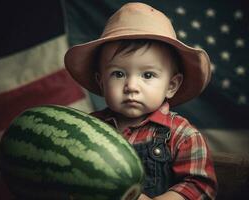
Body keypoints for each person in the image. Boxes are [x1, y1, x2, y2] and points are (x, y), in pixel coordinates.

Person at [64, 2, 217, 200]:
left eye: (147, 75)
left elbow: (201, 186)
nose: (131, 86)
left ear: (171, 85)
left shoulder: (182, 135)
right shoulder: (86, 129)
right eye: (118, 74)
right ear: (101, 83)